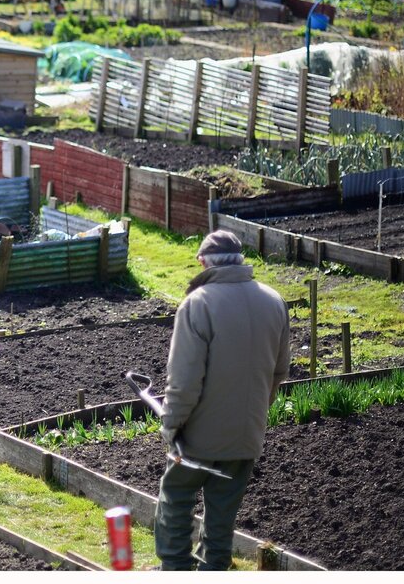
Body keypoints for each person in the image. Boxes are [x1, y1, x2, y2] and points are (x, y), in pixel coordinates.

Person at [154, 229, 291, 571]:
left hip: (199, 437)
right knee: (223, 510)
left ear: (203, 261)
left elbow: (184, 382)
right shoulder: (274, 301)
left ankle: (175, 569)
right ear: (241, 261)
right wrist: (256, 414)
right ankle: (213, 569)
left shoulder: (198, 304)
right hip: (246, 434)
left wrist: (171, 427)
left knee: (176, 494)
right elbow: (279, 372)